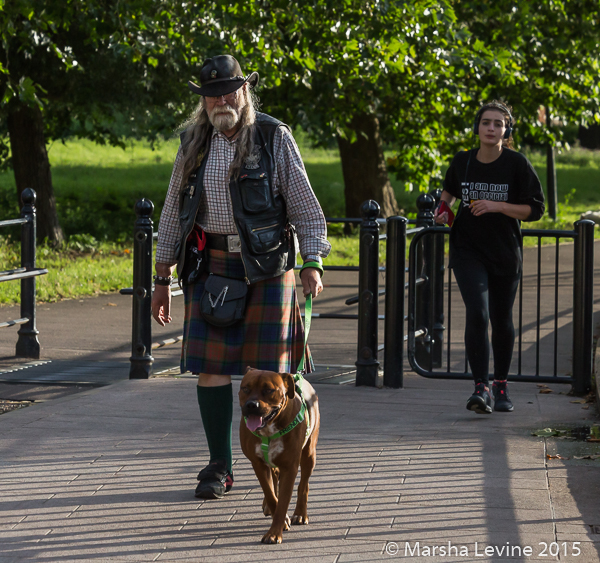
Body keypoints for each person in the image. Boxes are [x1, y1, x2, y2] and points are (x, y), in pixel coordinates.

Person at [151, 55, 331, 499]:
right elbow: (173, 209)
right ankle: (220, 465)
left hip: (270, 270)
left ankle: (282, 451)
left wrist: (313, 262)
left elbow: (305, 205)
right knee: (210, 369)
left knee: (273, 376)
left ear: (244, 92)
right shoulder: (193, 141)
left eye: (229, 91)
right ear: (203, 102)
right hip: (212, 268)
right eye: (212, 94)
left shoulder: (273, 136)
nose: (220, 101)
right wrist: (161, 276)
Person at [434, 100, 545, 414]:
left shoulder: (516, 164)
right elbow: (449, 194)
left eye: (498, 123)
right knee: (478, 313)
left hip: (504, 253)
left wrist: (497, 206)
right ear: (477, 127)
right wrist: (443, 211)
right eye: (486, 122)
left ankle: (501, 384)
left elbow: (535, 209)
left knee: (501, 319)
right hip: (467, 249)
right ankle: (480, 386)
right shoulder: (462, 161)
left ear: (506, 129)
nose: (492, 128)